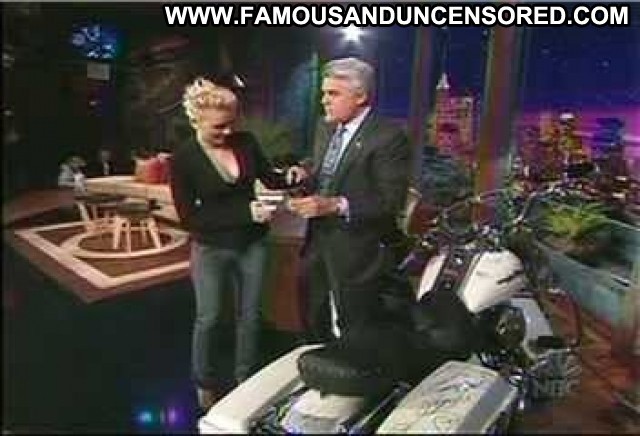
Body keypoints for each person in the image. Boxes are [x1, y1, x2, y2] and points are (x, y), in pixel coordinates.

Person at [169, 77, 302, 411]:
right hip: (210, 248)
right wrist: (245, 212)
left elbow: (269, 177)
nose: (227, 132)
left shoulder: (245, 142)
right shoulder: (183, 159)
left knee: (250, 316)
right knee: (210, 318)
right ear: (196, 120)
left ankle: (245, 380)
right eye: (219, 127)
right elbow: (189, 217)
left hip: (253, 244)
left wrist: (289, 176)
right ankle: (204, 382)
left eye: (231, 123)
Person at [287, 57, 413, 343]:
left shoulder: (388, 137)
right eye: (323, 93)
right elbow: (326, 170)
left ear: (360, 96)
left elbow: (390, 201)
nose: (324, 101)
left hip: (358, 250)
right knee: (313, 319)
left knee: (356, 330)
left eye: (333, 94)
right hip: (317, 243)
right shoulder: (325, 128)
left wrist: (335, 205)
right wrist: (305, 172)